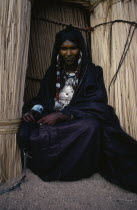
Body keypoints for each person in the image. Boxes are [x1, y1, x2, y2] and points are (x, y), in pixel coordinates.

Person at [18, 25, 137, 193]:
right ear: (58, 50)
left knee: (91, 126)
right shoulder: (52, 73)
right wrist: (35, 111)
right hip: (52, 123)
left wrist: (65, 114)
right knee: (26, 130)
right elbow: (42, 99)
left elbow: (97, 102)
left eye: (72, 48)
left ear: (80, 48)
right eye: (63, 49)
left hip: (76, 124)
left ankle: (75, 166)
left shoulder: (92, 72)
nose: (68, 53)